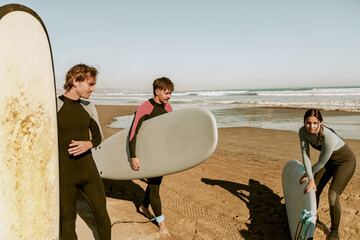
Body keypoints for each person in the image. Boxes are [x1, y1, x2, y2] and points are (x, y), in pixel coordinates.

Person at [57, 64, 111, 240]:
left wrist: (89, 144)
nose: (93, 89)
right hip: (64, 175)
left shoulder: (88, 106)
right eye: (90, 84)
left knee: (102, 216)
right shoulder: (54, 106)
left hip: (88, 171)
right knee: (67, 223)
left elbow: (99, 136)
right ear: (75, 81)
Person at [298, 109, 356, 240]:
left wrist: (310, 174)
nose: (311, 126)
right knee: (313, 189)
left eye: (314, 123)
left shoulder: (327, 135)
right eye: (308, 123)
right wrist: (310, 176)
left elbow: (321, 161)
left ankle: (335, 231)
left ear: (320, 122)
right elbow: (305, 156)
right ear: (304, 122)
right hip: (327, 162)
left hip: (344, 162)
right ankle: (313, 217)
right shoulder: (302, 132)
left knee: (333, 195)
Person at [129, 77, 174, 237]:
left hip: (160, 152)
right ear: (157, 91)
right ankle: (162, 224)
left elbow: (168, 132)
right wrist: (133, 155)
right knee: (154, 186)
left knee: (156, 183)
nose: (169, 96)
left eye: (170, 93)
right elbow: (133, 132)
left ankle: (143, 206)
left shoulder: (168, 108)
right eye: (166, 93)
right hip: (147, 153)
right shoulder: (145, 107)